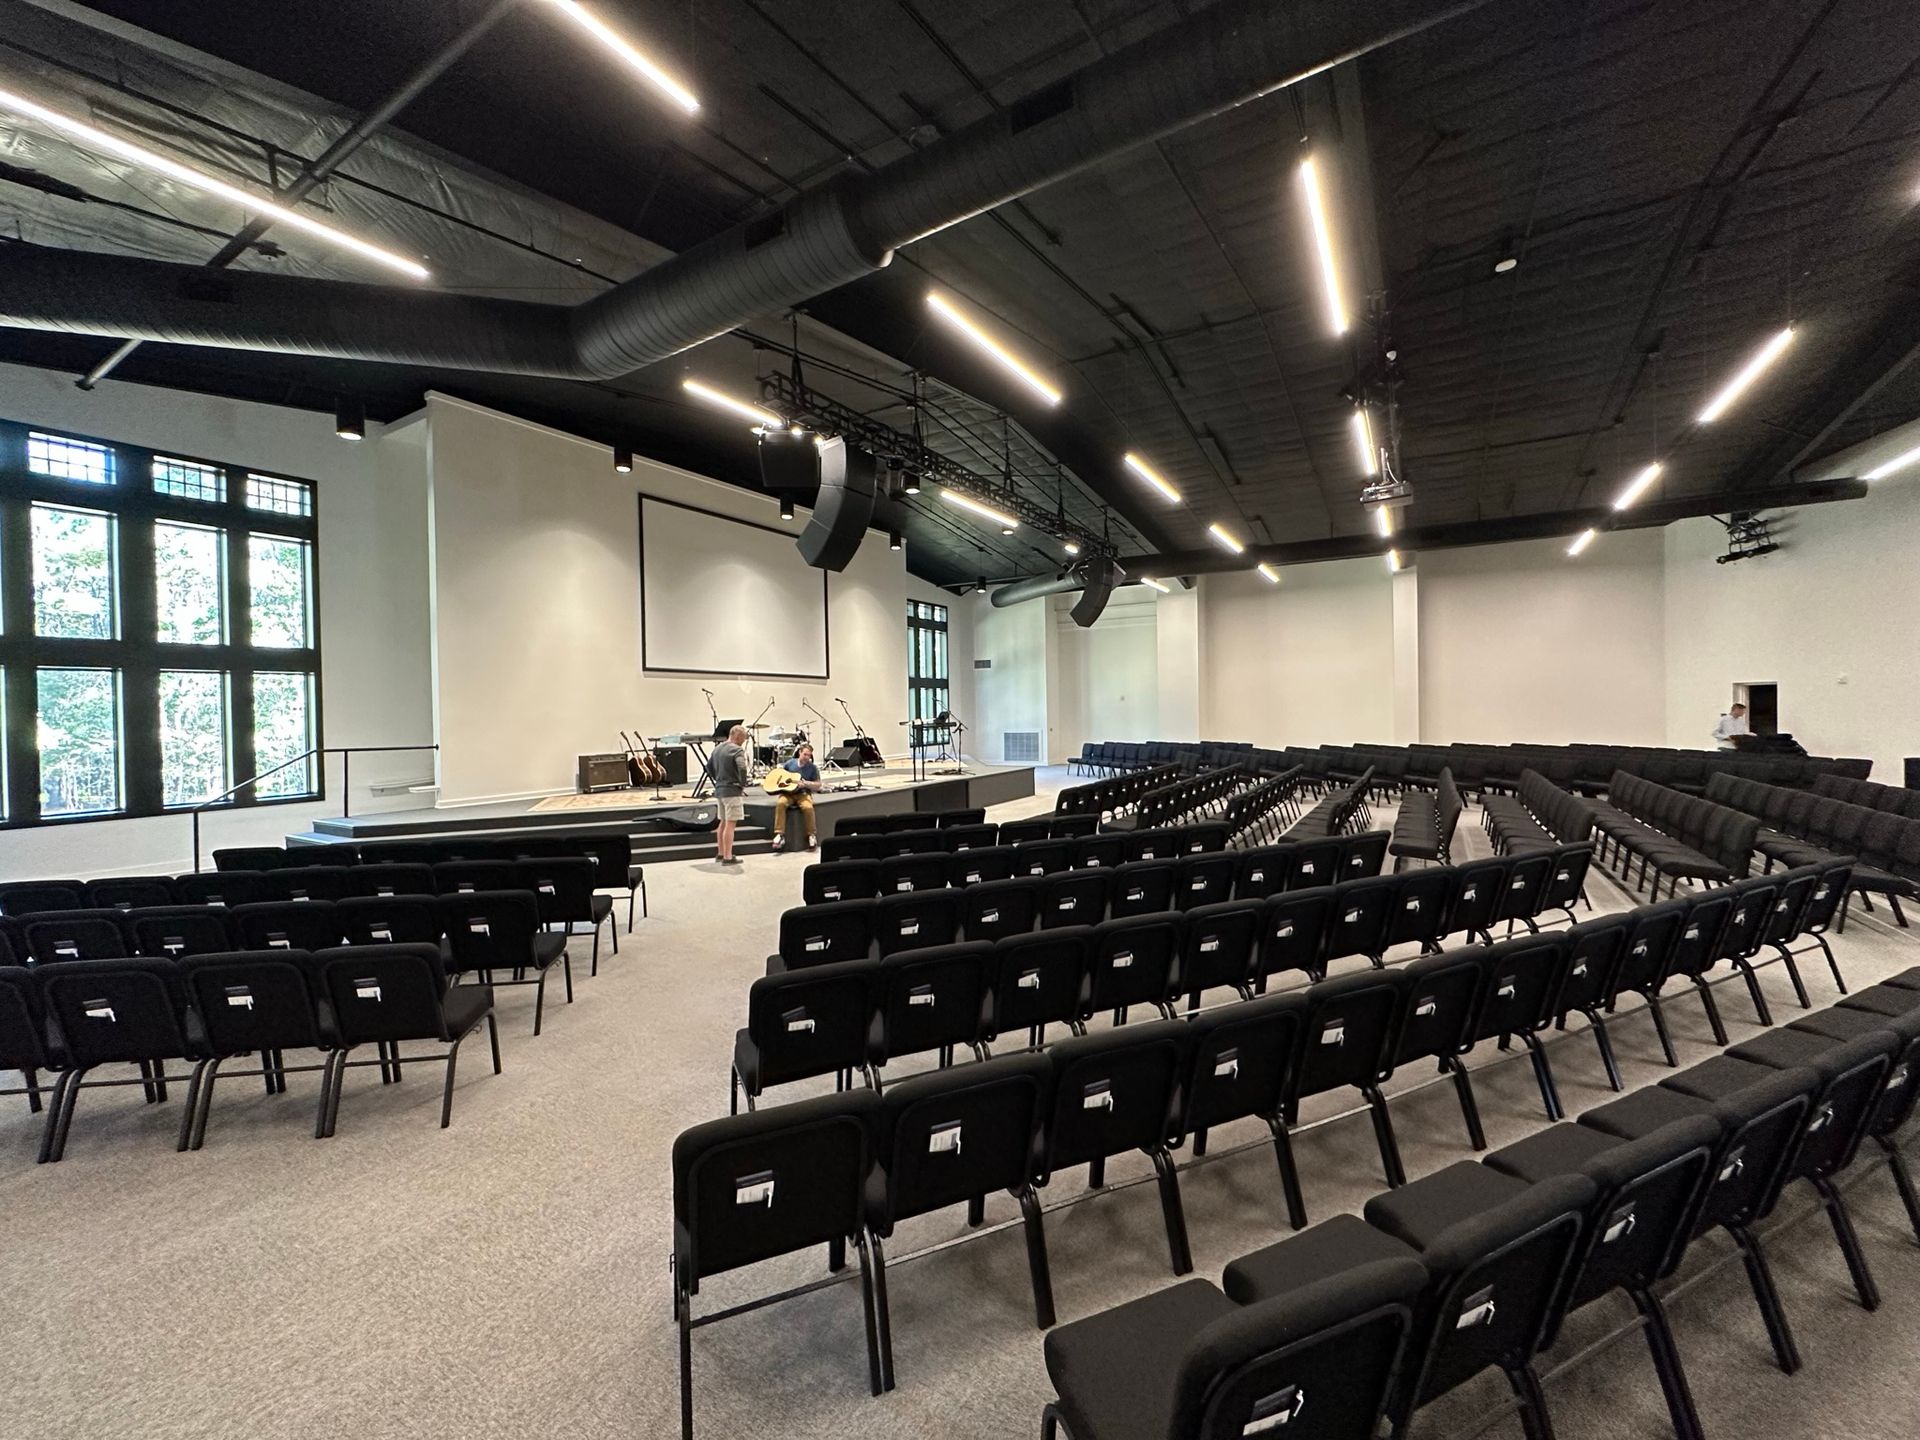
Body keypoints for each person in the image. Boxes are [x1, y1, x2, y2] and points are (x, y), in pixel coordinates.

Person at [770, 742, 823, 852]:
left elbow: (818, 785)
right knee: (780, 804)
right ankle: (779, 834)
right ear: (800, 753)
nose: (807, 757)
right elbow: (781, 776)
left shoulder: (812, 768)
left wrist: (807, 784)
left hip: (803, 794)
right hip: (788, 793)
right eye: (805, 754)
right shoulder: (790, 764)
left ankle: (811, 835)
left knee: (808, 807)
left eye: (809, 755)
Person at [710, 724, 749, 865]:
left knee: (723, 822)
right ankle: (728, 857)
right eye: (742, 740)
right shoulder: (736, 750)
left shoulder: (717, 749)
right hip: (732, 791)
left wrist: (718, 780)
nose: (742, 743)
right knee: (730, 825)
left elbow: (708, 767)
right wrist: (741, 783)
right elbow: (742, 768)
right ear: (737, 736)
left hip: (720, 790)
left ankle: (720, 853)